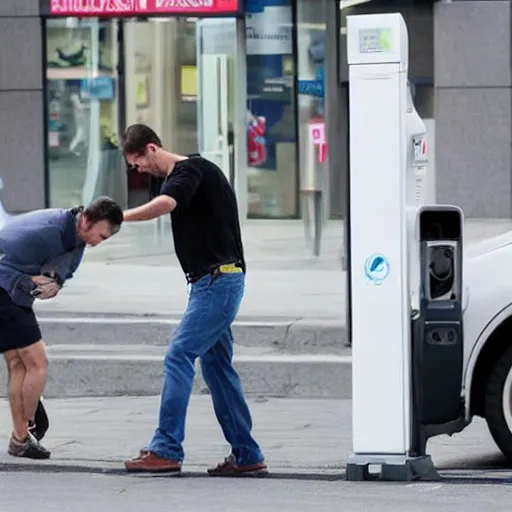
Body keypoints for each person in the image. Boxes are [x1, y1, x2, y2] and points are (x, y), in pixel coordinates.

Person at [121, 124, 267, 477]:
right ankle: (247, 454)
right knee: (217, 369)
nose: (135, 171)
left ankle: (166, 448)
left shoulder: (193, 170)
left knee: (178, 355)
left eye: (137, 162)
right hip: (211, 282)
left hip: (219, 281)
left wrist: (118, 218)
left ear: (152, 149)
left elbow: (167, 203)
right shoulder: (171, 177)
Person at [0, 196, 123, 459]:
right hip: (5, 290)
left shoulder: (75, 230)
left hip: (12, 292)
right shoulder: (46, 233)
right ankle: (28, 424)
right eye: (100, 236)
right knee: (37, 361)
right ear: (87, 221)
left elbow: (61, 268)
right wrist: (25, 281)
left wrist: (55, 281)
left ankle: (21, 437)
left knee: (17, 363)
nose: (97, 243)